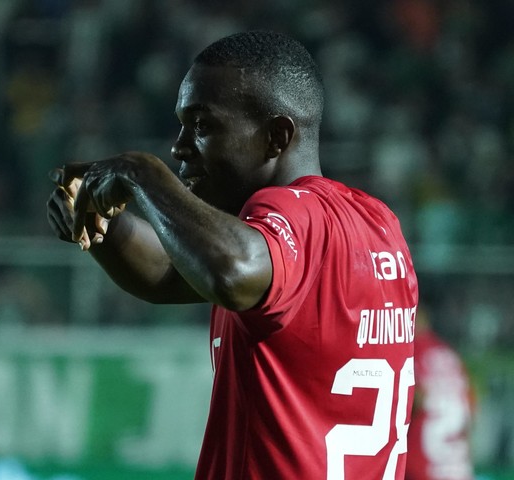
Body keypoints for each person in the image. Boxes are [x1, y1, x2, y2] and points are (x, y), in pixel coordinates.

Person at [47, 31, 419, 479]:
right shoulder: (376, 223)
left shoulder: (285, 212)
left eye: (202, 126)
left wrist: (140, 173)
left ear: (277, 137)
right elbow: (171, 273)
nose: (180, 147)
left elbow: (230, 271)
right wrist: (104, 225)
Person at [406, 307, 476, 480]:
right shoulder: (448, 354)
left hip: (421, 468)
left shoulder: (410, 351)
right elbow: (471, 407)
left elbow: (412, 400)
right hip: (457, 469)